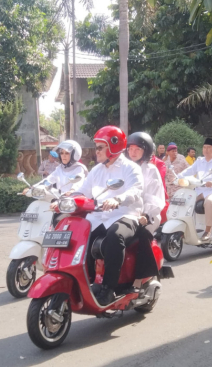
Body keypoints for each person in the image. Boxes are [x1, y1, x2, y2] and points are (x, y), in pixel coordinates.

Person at [74, 126, 143, 306]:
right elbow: (82, 191)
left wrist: (118, 199)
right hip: (99, 216)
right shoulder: (97, 170)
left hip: (126, 214)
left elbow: (135, 190)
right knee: (80, 233)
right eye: (96, 147)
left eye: (99, 147)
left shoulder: (131, 168)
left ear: (113, 146)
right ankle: (86, 281)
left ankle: (109, 289)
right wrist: (63, 198)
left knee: (115, 235)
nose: (96, 151)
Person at [126, 132, 166, 295]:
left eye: (138, 149)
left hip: (148, 214)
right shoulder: (124, 168)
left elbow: (155, 198)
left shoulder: (150, 170)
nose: (133, 152)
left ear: (146, 151)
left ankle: (138, 279)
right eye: (130, 148)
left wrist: (146, 215)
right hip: (127, 213)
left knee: (141, 236)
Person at [177, 138, 212, 241]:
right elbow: (190, 170)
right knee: (185, 200)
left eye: (209, 147)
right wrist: (178, 177)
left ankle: (208, 230)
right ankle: (184, 227)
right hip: (200, 190)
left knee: (209, 202)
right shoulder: (199, 160)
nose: (206, 150)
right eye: (204, 147)